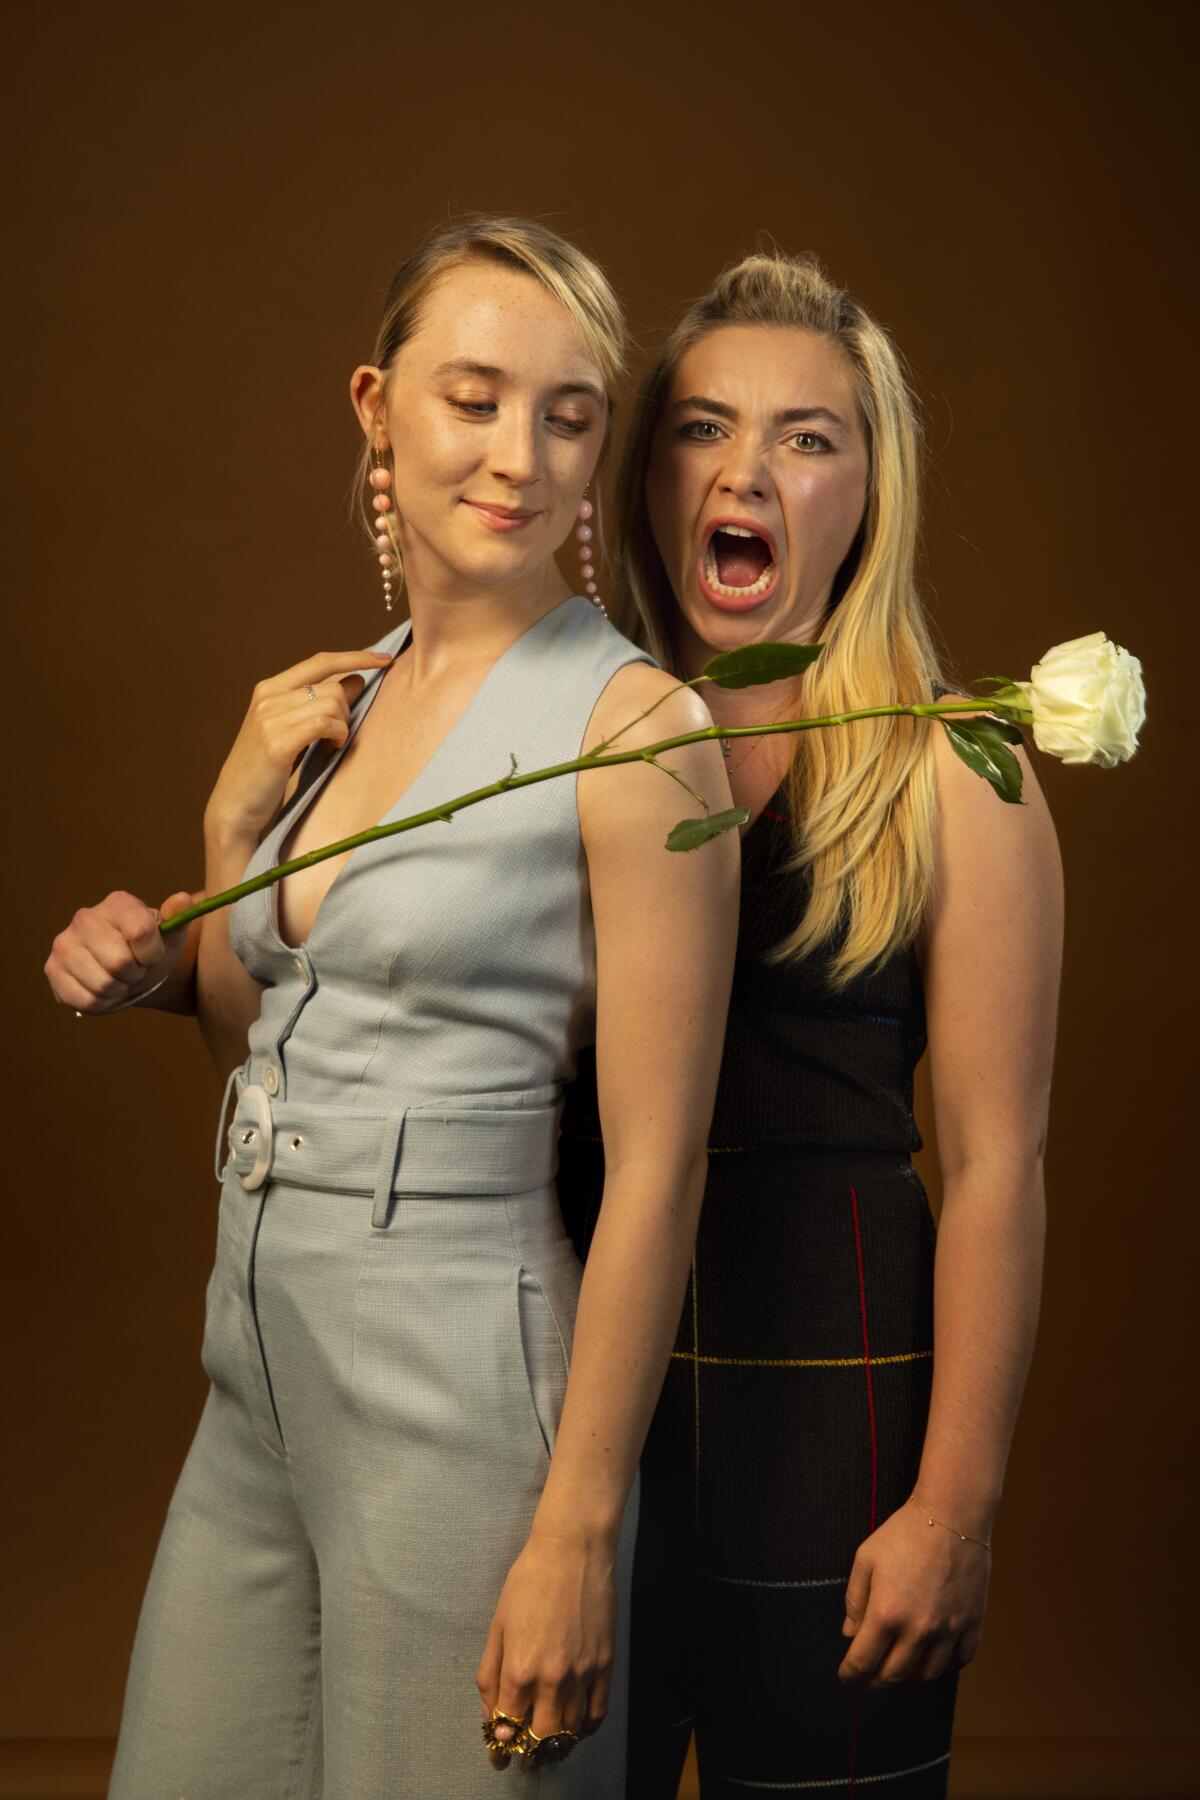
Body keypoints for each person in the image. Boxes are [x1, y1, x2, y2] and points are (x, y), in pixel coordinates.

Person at [44, 215, 739, 1799]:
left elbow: (657, 1169)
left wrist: (576, 1532)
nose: (519, 456)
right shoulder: (336, 697)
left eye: (568, 415)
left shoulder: (638, 731)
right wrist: (222, 843)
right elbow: (255, 1050)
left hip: (463, 1400)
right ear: (376, 406)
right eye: (473, 399)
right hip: (256, 1378)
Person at [557, 250, 1063, 1798]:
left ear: (868, 492)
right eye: (705, 427)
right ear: (649, 475)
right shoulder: (557, 742)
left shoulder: (952, 771)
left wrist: (955, 1507)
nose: (748, 472)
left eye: (807, 437)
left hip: (834, 1394)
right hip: (568, 1373)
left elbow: (997, 1164)